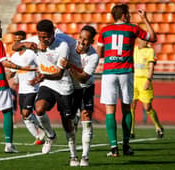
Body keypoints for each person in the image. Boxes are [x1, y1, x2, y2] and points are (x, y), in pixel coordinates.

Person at [14, 19, 79, 166]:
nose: (43, 40)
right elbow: (14, 46)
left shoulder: (63, 45)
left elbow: (59, 74)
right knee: (39, 109)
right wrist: (24, 44)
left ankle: (73, 155)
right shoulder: (34, 41)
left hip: (63, 85)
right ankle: (50, 136)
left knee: (67, 123)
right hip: (47, 84)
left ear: (52, 33)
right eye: (40, 37)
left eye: (46, 37)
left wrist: (43, 76)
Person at [97, 4, 157, 157]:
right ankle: (126, 146)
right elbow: (153, 37)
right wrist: (145, 19)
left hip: (109, 73)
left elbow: (99, 53)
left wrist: (112, 54)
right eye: (128, 14)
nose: (130, 16)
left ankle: (113, 148)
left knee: (110, 111)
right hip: (126, 72)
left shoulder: (104, 31)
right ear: (123, 15)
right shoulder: (132, 28)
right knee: (126, 109)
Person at [0, 18, 35, 153]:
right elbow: (4, 63)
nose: (1, 29)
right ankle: (9, 145)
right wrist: (22, 68)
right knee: (7, 112)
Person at [60, 25, 99, 166]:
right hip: (70, 88)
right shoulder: (69, 44)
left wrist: (69, 66)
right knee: (68, 120)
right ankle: (73, 156)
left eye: (86, 40)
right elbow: (55, 32)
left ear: (91, 42)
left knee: (86, 119)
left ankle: (85, 157)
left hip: (85, 88)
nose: (82, 42)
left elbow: (83, 78)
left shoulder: (94, 56)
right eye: (81, 38)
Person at [7, 31, 45, 145]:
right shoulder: (14, 56)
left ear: (24, 41)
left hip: (33, 89)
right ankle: (40, 136)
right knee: (25, 116)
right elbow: (12, 73)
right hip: (22, 90)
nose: (17, 43)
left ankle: (44, 131)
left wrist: (38, 78)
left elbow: (41, 67)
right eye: (15, 41)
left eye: (19, 40)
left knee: (26, 112)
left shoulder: (32, 53)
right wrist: (1, 79)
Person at [130, 38, 164, 139]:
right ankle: (131, 131)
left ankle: (158, 127)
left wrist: (149, 80)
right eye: (144, 39)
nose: (146, 41)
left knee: (147, 107)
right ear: (138, 40)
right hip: (133, 80)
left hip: (144, 80)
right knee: (132, 105)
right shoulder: (134, 49)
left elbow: (151, 66)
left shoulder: (150, 51)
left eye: (147, 40)